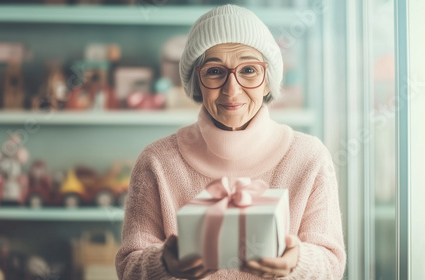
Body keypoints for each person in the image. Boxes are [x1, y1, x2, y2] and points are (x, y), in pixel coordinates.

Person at [115, 4, 346, 280]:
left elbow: (331, 263)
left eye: (249, 69)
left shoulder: (309, 157)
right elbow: (130, 265)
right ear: (196, 81)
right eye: (214, 71)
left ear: (268, 82)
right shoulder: (157, 161)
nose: (232, 89)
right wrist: (163, 263)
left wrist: (298, 262)